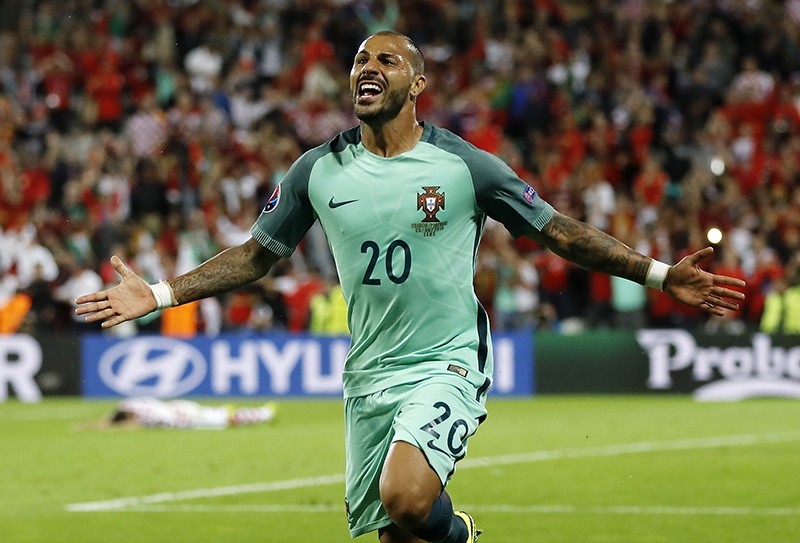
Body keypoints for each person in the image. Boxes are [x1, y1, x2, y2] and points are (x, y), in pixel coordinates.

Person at [75, 31, 746, 543]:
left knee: (405, 496)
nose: (367, 69)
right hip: (369, 372)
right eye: (360, 61)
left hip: (446, 358)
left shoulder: (463, 165)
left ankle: (463, 532)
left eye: (386, 61)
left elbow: (557, 231)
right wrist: (161, 294)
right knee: (396, 530)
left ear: (418, 83)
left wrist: (657, 273)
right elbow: (257, 255)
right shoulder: (319, 169)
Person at [104, 397, 277, 430]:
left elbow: (130, 425)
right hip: (180, 408)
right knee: (218, 416)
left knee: (223, 420)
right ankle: (262, 412)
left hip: (183, 417)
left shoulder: (141, 418)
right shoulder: (129, 404)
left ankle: (265, 413)